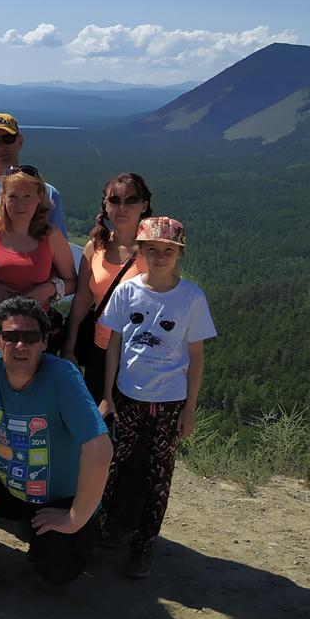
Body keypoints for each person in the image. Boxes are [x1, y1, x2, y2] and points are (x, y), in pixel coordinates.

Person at [0, 297, 112, 601]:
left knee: (56, 571)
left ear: (44, 341)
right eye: (10, 336)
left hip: (57, 500)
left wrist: (75, 518)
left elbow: (100, 450)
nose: (19, 345)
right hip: (5, 486)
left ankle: (63, 532)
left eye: (30, 337)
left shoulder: (63, 376)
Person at [98, 216, 216, 579]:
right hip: (127, 396)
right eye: (152, 249)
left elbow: (196, 356)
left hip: (169, 402)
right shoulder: (127, 291)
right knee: (108, 469)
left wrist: (190, 409)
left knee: (159, 476)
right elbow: (114, 345)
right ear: (141, 251)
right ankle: (93, 532)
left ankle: (143, 547)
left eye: (168, 250)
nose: (160, 256)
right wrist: (107, 394)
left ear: (179, 253)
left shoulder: (191, 297)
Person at [62, 173, 153, 400]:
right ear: (105, 205)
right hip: (99, 350)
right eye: (114, 200)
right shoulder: (95, 248)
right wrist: (69, 346)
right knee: (99, 425)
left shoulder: (154, 252)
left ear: (144, 205)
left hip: (140, 353)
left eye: (131, 200)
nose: (122, 207)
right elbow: (82, 300)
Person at [0, 165, 76, 351]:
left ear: (39, 197)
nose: (20, 205)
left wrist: (49, 289)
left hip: (35, 334)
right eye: (13, 197)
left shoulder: (51, 236)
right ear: (3, 198)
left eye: (27, 197)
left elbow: (72, 282)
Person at [0, 113, 68, 235]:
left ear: (20, 141)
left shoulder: (49, 194)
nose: (1, 147)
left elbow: (58, 247)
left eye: (8, 139)